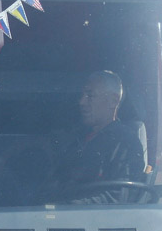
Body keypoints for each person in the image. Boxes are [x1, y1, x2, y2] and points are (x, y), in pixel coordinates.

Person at [55, 70, 146, 200]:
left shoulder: (126, 143)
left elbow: (120, 198)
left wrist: (69, 208)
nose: (81, 102)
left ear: (113, 101)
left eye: (90, 96)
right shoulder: (76, 141)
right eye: (82, 95)